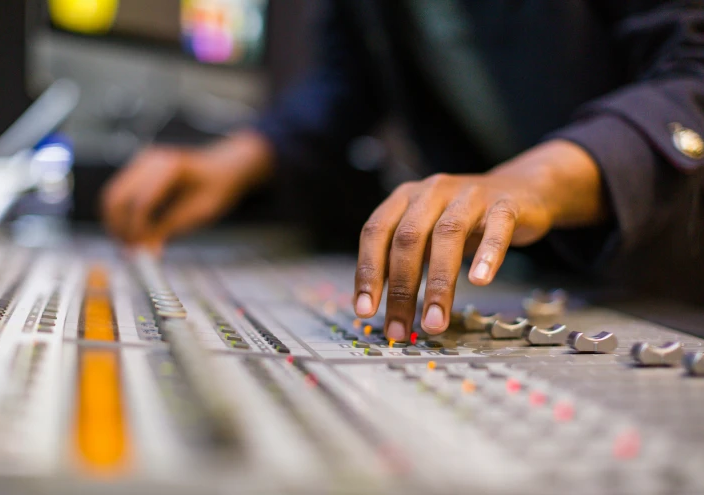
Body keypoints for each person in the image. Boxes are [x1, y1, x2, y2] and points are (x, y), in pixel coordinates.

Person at [102, 1, 704, 341]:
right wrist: (236, 159)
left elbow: (692, 68)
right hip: (542, 282)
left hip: (672, 274)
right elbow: (344, 82)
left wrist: (534, 181)